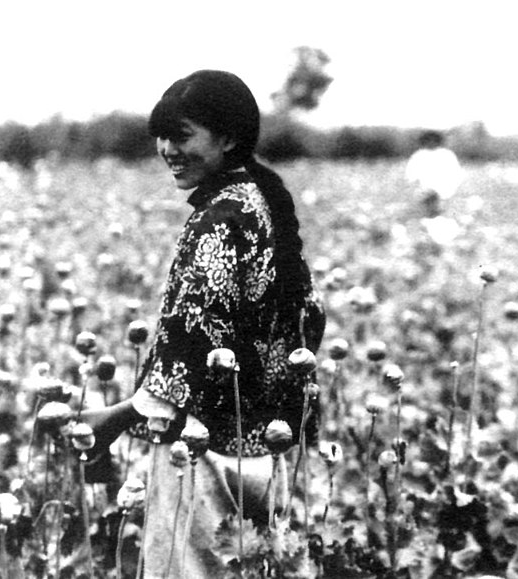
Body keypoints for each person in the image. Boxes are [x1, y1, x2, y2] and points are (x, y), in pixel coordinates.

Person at [77, 70, 325, 577]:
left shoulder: (219, 220)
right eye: (162, 136)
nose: (167, 148)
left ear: (229, 138)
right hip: (269, 454)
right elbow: (307, 322)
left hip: (203, 454)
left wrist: (118, 417)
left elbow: (193, 342)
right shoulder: (265, 205)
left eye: (182, 135)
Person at [405, 129, 462, 217]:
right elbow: (410, 175)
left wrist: (448, 190)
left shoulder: (447, 154)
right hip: (424, 190)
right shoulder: (418, 155)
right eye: (428, 139)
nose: (431, 142)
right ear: (424, 141)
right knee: (426, 207)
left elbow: (456, 173)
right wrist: (417, 188)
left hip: (444, 190)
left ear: (438, 141)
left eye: (434, 140)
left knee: (441, 210)